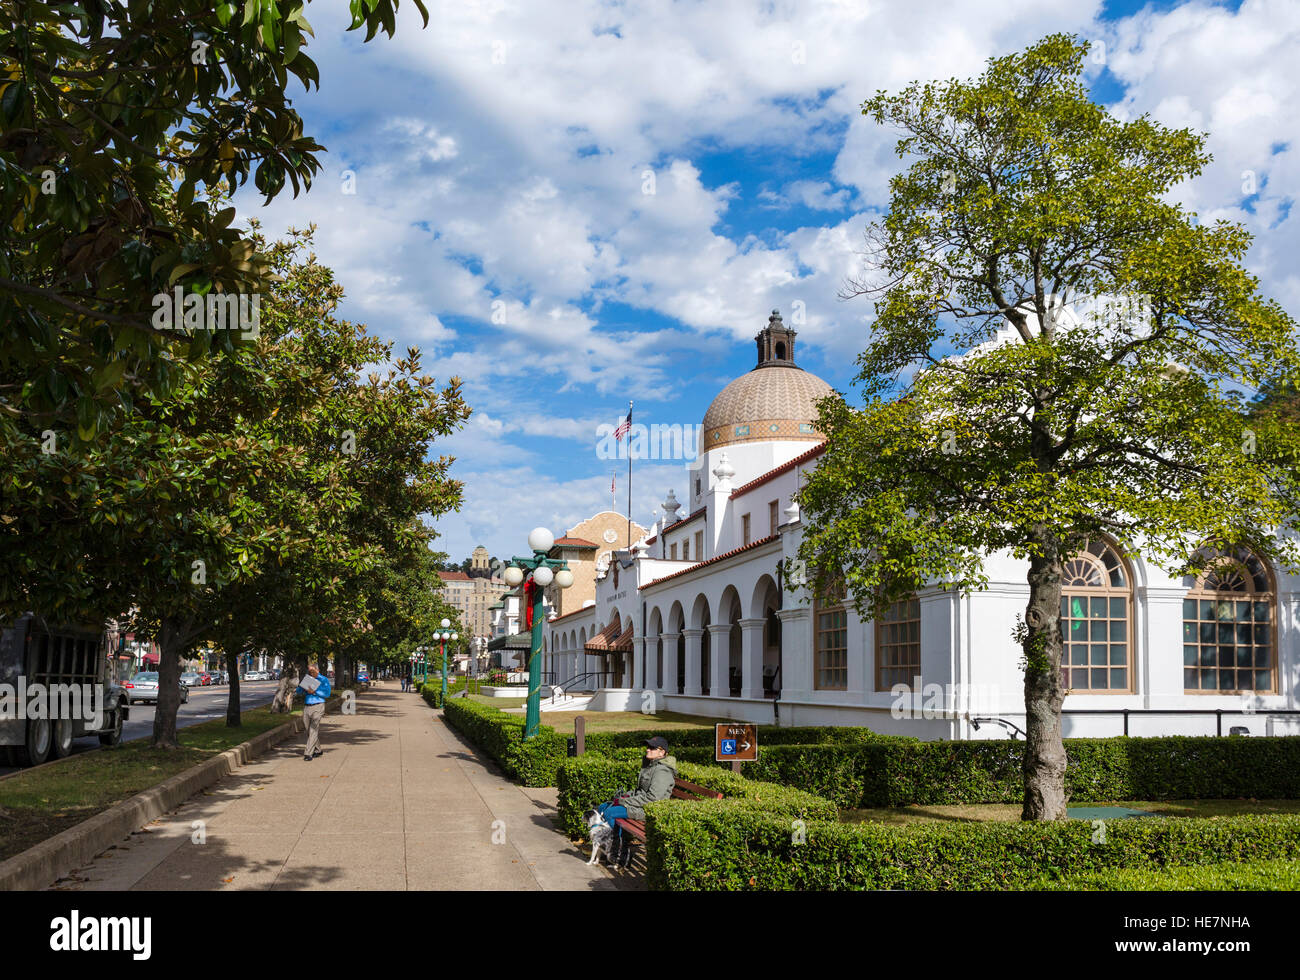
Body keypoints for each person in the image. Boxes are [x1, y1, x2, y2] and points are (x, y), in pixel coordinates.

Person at [595, 736, 677, 867]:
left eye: (652, 748)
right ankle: (610, 849)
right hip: (641, 805)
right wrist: (625, 797)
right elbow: (640, 791)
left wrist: (624, 802)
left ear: (662, 753)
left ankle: (621, 854)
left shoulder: (663, 771)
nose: (647, 750)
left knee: (610, 813)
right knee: (602, 807)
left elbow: (653, 799)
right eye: (647, 747)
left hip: (650, 809)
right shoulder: (651, 765)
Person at [297, 665, 332, 762]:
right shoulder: (308, 679)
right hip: (307, 706)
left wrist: (315, 691)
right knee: (308, 729)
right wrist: (303, 688)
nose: (311, 672)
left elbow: (327, 693)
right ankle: (318, 749)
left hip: (318, 706)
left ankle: (308, 753)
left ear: (317, 670)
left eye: (312, 670)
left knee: (313, 729)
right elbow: (298, 691)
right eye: (310, 671)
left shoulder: (323, 679)